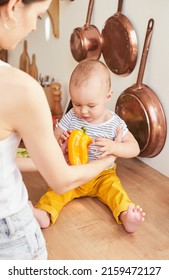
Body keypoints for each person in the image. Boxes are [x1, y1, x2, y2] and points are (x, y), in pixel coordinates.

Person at [0, 1, 116, 260]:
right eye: (38, 16)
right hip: (9, 234)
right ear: (13, 7)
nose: (32, 26)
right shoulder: (20, 88)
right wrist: (108, 160)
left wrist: (44, 159)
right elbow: (61, 180)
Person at [33, 60, 145, 234]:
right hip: (74, 173)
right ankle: (44, 213)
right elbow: (53, 138)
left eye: (91, 105)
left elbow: (134, 148)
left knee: (116, 192)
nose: (83, 111)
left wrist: (115, 146)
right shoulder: (71, 116)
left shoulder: (114, 123)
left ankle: (126, 216)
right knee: (56, 191)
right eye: (77, 104)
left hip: (103, 175)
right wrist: (59, 138)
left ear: (107, 96)